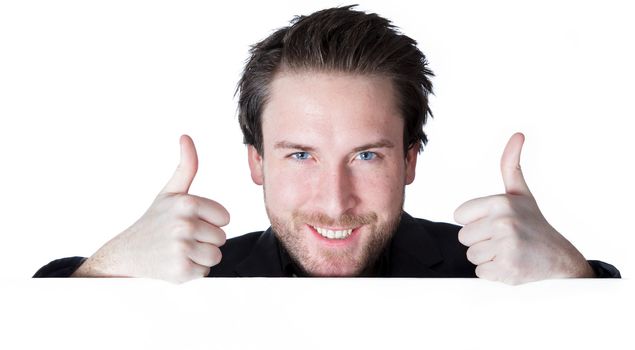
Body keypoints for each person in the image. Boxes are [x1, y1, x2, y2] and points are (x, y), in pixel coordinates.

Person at [34, 5, 620, 284]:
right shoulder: (188, 280)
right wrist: (100, 282)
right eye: (300, 154)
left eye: (367, 155)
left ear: (411, 159)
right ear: (256, 161)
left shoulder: (496, 272)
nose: (335, 202)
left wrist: (575, 287)